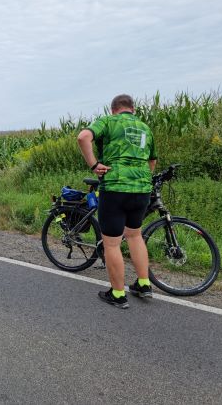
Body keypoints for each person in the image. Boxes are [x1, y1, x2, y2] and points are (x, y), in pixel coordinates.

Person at [77, 94, 157, 309]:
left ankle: (118, 294)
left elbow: (83, 137)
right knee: (135, 235)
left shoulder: (108, 121)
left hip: (114, 187)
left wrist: (94, 165)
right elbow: (152, 160)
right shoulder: (144, 127)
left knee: (112, 243)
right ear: (133, 109)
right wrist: (142, 179)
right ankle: (143, 284)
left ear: (113, 109)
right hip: (141, 190)